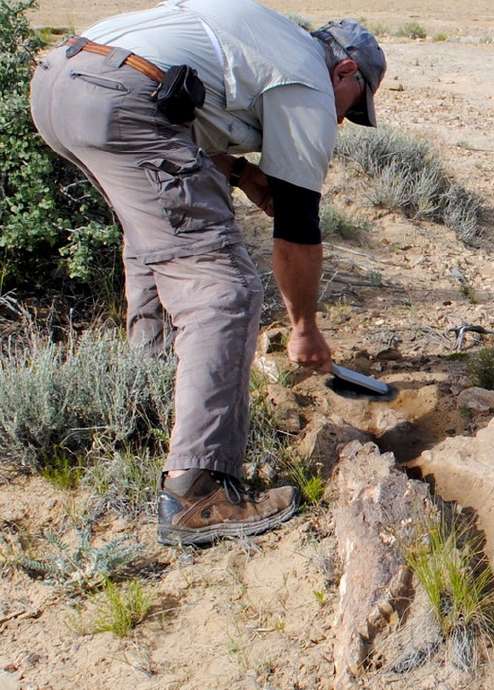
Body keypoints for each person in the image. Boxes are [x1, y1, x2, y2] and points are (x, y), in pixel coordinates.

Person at [29, 0, 386, 546]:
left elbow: (182, 105)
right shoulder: (308, 77)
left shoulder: (269, 40)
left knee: (153, 244)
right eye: (352, 104)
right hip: (120, 95)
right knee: (225, 288)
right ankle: (198, 489)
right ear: (344, 71)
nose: (341, 119)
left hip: (59, 84)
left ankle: (146, 405)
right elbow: (297, 226)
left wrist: (243, 174)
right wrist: (304, 328)